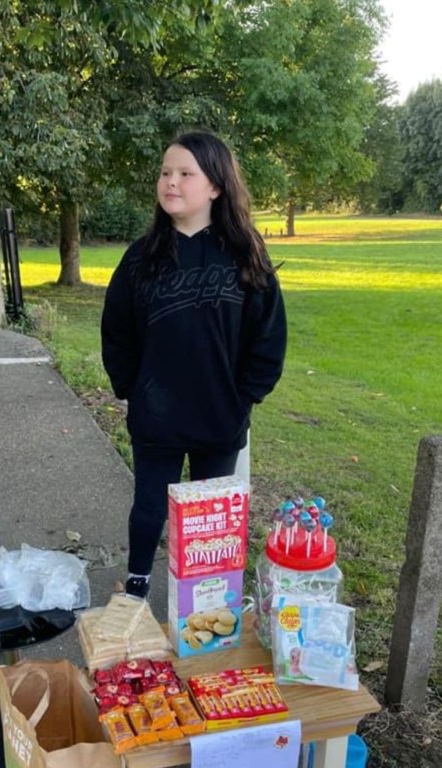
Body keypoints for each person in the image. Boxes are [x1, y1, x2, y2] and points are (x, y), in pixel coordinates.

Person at [101, 130, 287, 599]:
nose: (171, 182)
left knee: (211, 519)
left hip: (218, 416)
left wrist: (243, 398)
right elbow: (116, 331)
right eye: (166, 172)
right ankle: (138, 584)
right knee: (149, 506)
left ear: (216, 186)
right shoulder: (141, 258)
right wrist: (132, 390)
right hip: (156, 415)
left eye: (186, 173)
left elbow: (268, 338)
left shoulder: (246, 255)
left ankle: (206, 600)